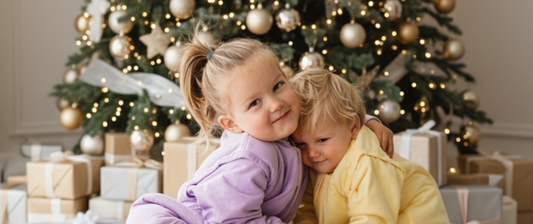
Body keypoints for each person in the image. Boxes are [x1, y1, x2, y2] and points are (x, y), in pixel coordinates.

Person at [126, 31, 393, 223]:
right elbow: (233, 220)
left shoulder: (281, 118)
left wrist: (368, 121)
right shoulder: (249, 159)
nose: (275, 104)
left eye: (278, 85)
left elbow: (329, 109)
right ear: (232, 124)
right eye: (255, 102)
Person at [290, 68, 449, 224]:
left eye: (322, 140)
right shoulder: (317, 163)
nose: (311, 153)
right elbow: (306, 207)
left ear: (353, 128)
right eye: (301, 144)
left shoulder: (365, 161)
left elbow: (372, 218)